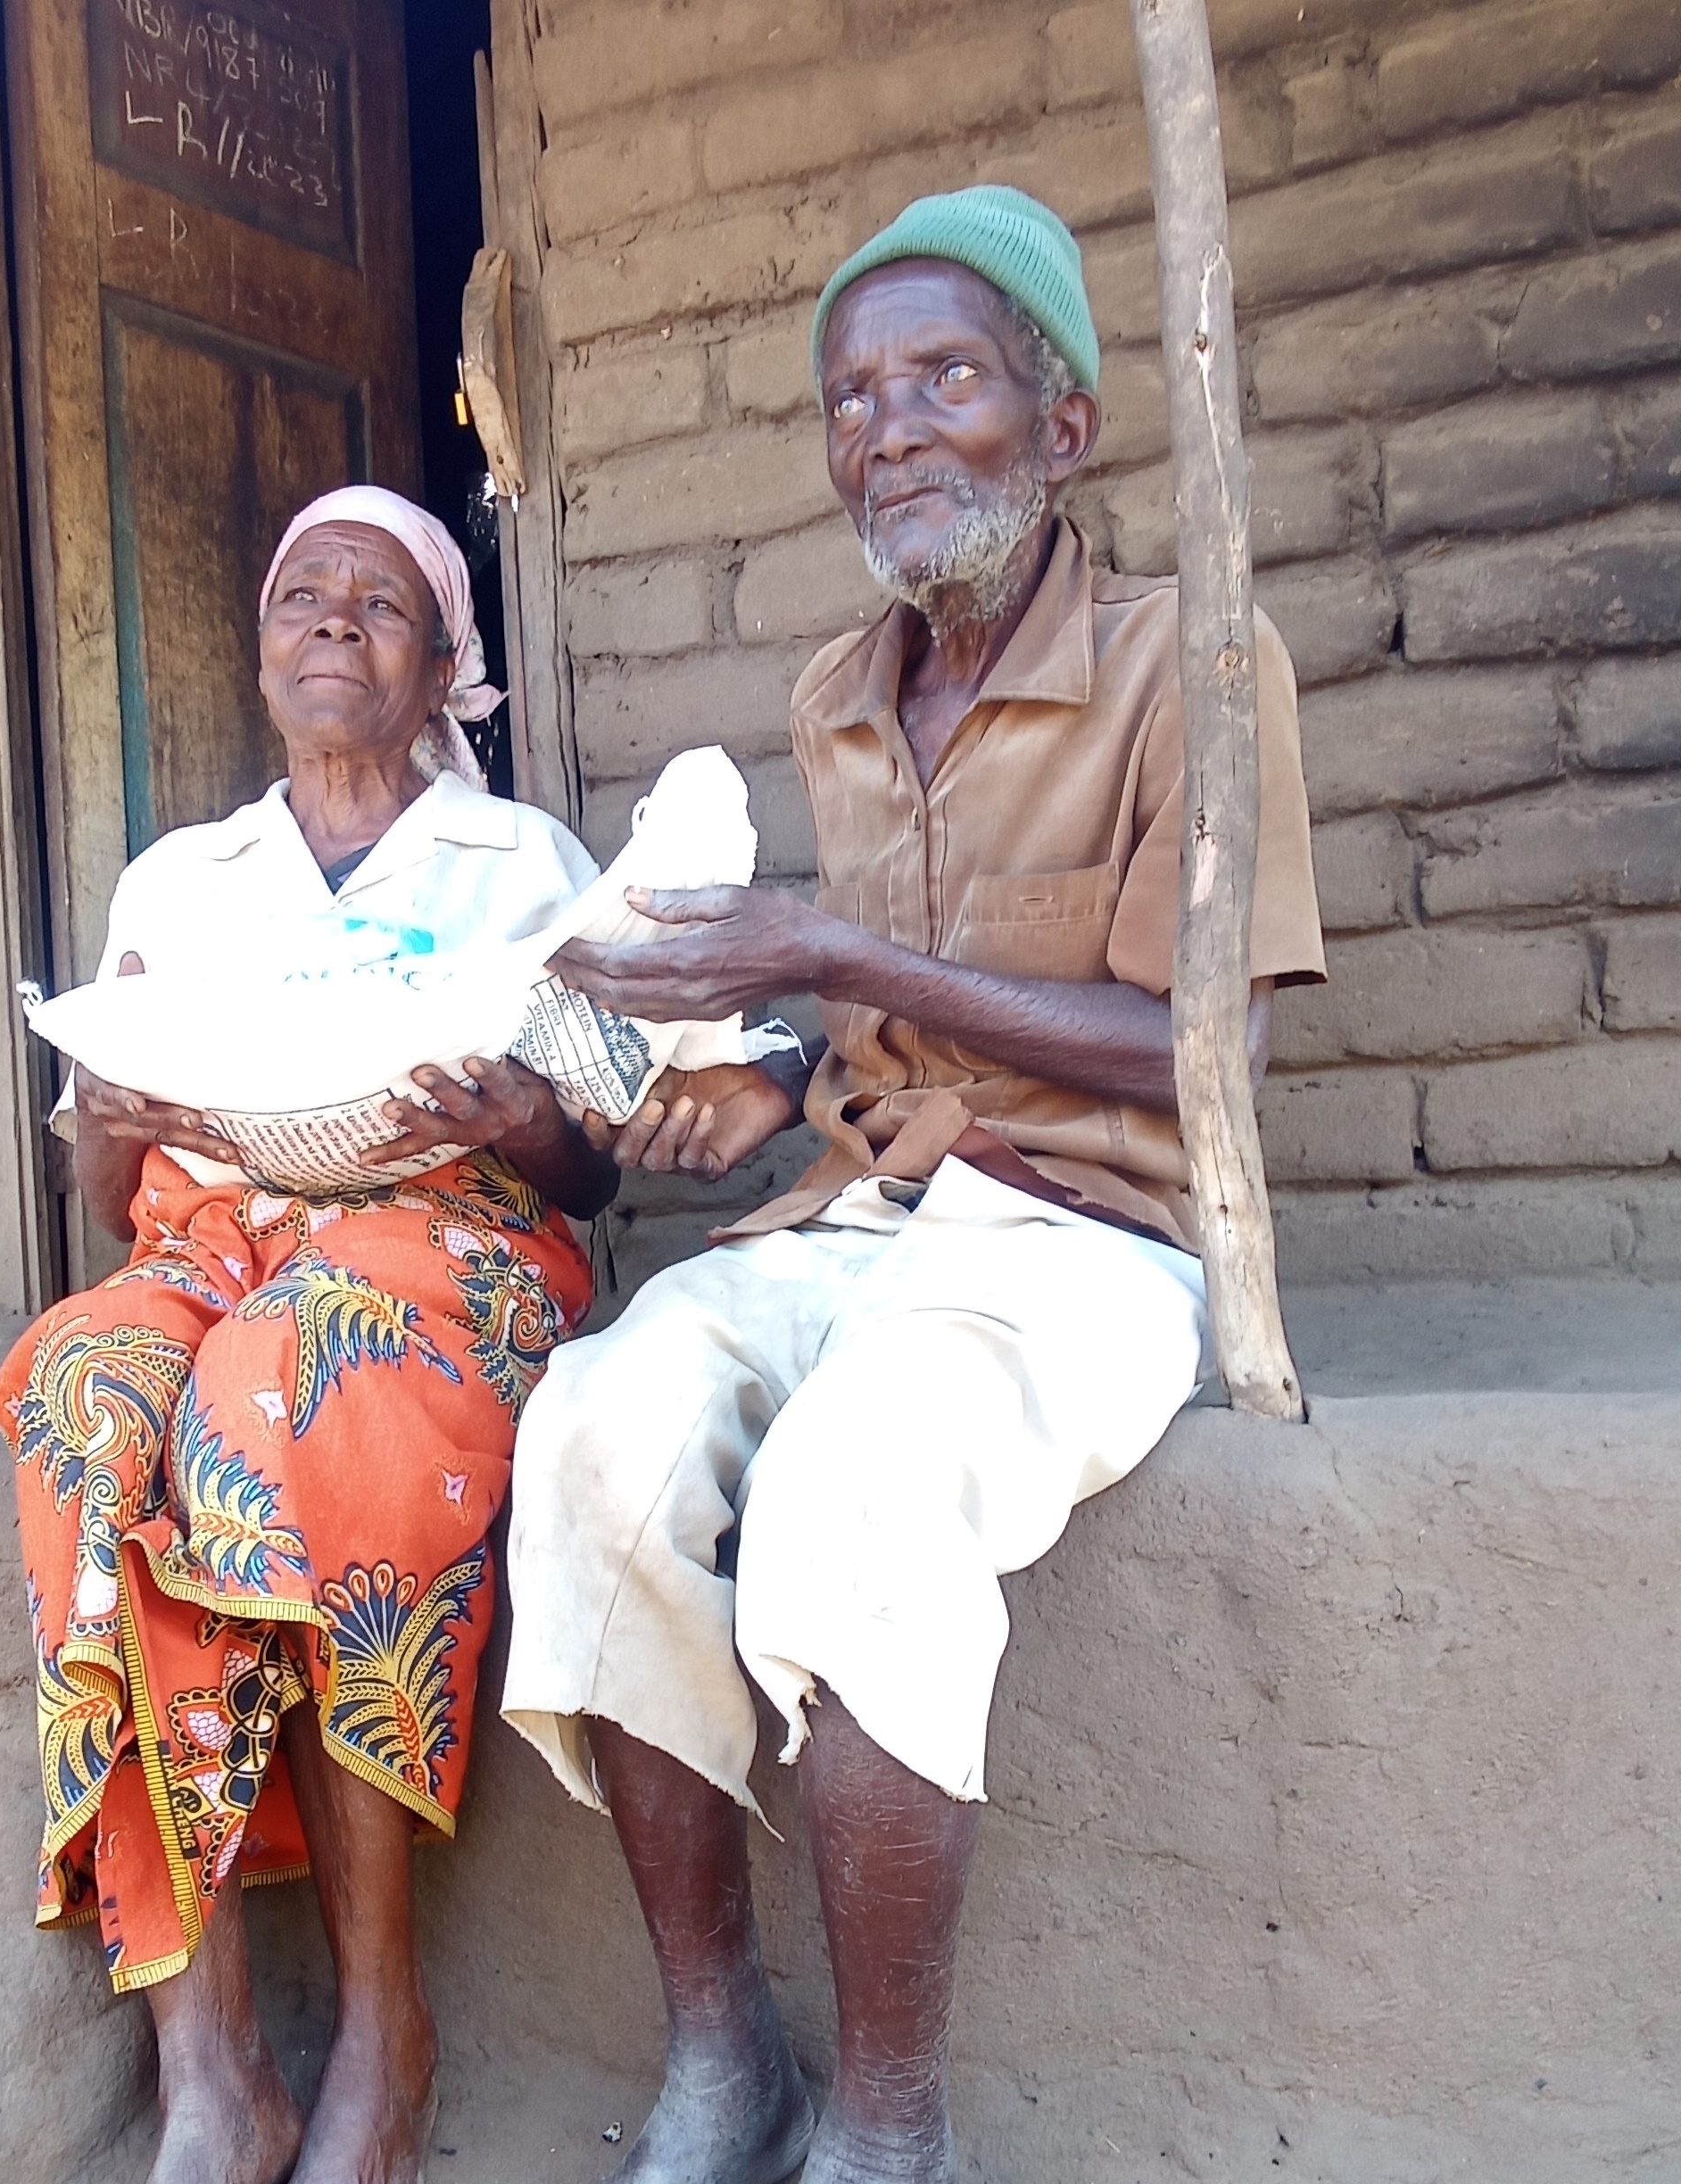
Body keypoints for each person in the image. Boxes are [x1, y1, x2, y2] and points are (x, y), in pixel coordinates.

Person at [501, 186, 1329, 2184]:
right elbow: (872, 1022)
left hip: (1089, 1239)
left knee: (858, 1484)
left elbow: (1201, 1058)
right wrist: (758, 1071)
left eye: (943, 376)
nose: (887, 426)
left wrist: (821, 959)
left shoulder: (1194, 668)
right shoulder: (836, 698)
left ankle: (890, 2134)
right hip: (863, 1224)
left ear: (1063, 431)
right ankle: (726, 2065)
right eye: (852, 397)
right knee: (597, 1428)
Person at [0, 486, 614, 2184]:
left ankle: (382, 2031)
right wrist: (110, 1107)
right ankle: (211, 2069)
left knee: (286, 1377)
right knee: (87, 1387)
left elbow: (598, 1165)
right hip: (217, 1238)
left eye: (382, 605)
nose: (335, 621)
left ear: (439, 674)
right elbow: (111, 1178)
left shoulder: (517, 865)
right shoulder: (187, 881)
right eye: (302, 597)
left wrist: (522, 1112)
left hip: (448, 1250)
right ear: (264, 656)